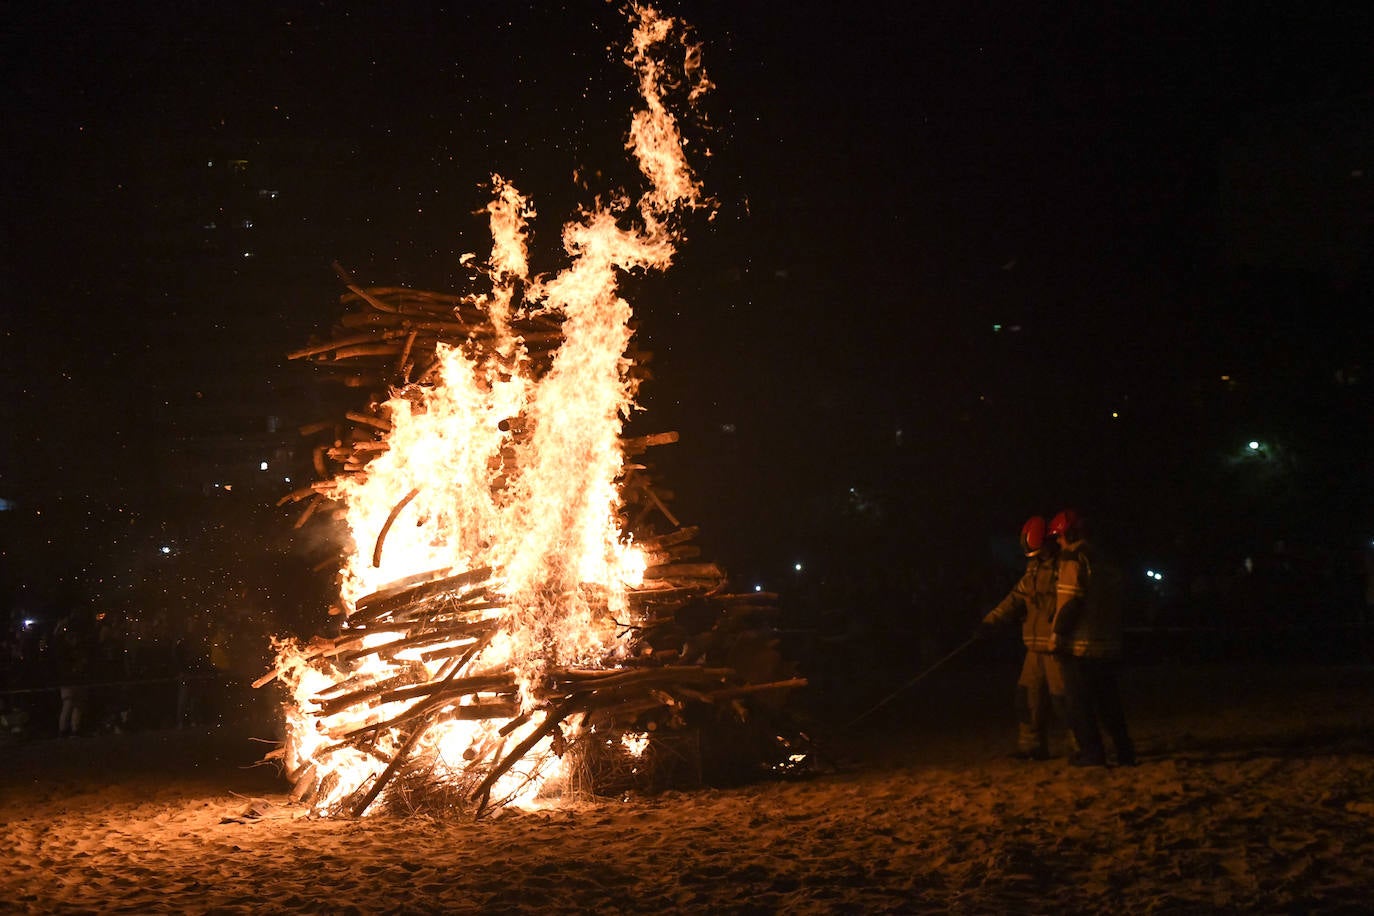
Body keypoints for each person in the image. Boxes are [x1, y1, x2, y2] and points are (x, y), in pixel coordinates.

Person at [1048, 508, 1136, 767]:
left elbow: (1072, 601)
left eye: (1059, 536)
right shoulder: (1105, 558)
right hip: (1107, 644)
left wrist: (1057, 634)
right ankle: (1124, 751)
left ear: (1069, 533)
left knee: (1079, 704)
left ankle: (1092, 753)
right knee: (1110, 702)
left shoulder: (1074, 557)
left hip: (1080, 646)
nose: (1057, 541)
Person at [977, 515, 1064, 760]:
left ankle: (1083, 747)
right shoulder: (1034, 568)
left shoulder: (1064, 568)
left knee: (1064, 701)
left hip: (1056, 647)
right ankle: (1031, 747)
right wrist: (990, 621)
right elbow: (1016, 597)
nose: (1035, 555)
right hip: (1034, 647)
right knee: (1027, 697)